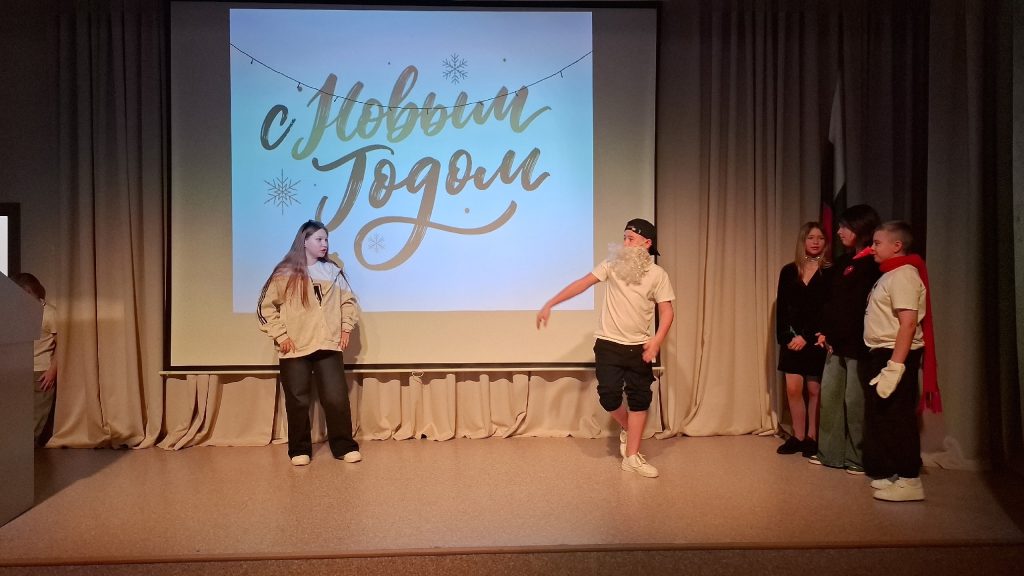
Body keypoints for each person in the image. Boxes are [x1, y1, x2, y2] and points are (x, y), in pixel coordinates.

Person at [536, 219, 675, 478]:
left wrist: (656, 340)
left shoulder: (658, 275)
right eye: (624, 238)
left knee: (640, 399)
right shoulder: (611, 265)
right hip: (608, 344)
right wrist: (550, 303)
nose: (625, 243)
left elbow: (667, 312)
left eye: (631, 239)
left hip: (640, 347)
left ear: (647, 243)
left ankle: (632, 457)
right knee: (609, 396)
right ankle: (628, 428)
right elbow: (582, 283)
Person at [258, 220, 361, 466]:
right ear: (304, 241)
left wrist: (346, 327)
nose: (324, 244)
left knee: (336, 398)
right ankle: (299, 449)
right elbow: (265, 308)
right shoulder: (284, 273)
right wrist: (281, 336)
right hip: (296, 346)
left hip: (328, 344)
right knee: (297, 400)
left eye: (326, 239)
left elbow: (348, 301)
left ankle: (344, 446)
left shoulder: (332, 271)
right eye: (319, 239)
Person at [859, 220, 937, 502]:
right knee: (885, 417)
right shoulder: (890, 274)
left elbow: (908, 324)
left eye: (877, 243)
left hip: (895, 354)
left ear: (897, 245)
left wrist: (895, 366)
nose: (872, 248)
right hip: (884, 353)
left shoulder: (904, 275)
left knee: (899, 417)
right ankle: (896, 473)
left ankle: (909, 480)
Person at [811, 205, 882, 474]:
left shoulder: (874, 264)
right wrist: (824, 331)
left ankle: (857, 457)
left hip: (859, 345)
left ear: (861, 228)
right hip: (835, 342)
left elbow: (862, 307)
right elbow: (833, 302)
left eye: (845, 227)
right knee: (830, 398)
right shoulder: (844, 262)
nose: (839, 232)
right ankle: (830, 453)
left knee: (855, 401)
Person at [774, 222, 832, 457]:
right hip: (792, 340)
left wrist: (807, 337)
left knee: (814, 389)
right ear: (803, 241)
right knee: (793, 388)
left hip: (816, 340)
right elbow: (782, 309)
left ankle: (812, 437)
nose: (815, 242)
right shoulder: (789, 271)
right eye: (810, 237)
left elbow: (828, 310)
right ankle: (797, 436)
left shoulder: (830, 272)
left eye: (820, 238)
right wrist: (788, 337)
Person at [13, 273, 58, 447]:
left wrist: (52, 370)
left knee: (37, 415)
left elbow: (62, 344)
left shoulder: (49, 314)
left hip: (40, 371)